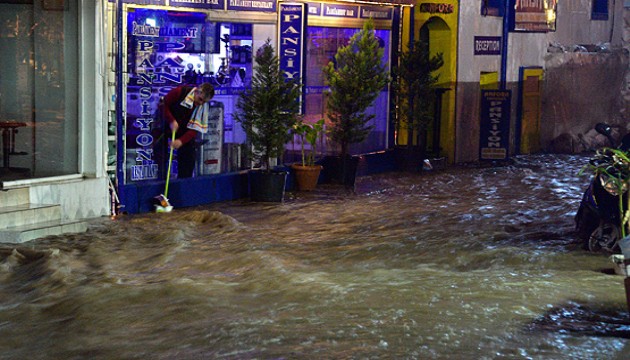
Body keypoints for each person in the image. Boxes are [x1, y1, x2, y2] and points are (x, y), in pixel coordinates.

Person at [162, 83, 214, 178]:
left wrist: (180, 141)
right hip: (165, 126)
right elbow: (163, 105)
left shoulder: (202, 107)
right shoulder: (179, 92)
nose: (201, 103)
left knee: (188, 160)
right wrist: (171, 120)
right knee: (161, 159)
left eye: (204, 102)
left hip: (184, 131)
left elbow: (194, 129)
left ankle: (183, 186)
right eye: (200, 99)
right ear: (197, 91)